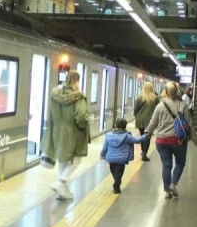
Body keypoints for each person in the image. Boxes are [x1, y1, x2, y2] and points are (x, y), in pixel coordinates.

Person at [40, 70, 89, 200]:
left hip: (56, 130)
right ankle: (61, 182)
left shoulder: (54, 93)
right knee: (76, 159)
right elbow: (82, 117)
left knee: (63, 159)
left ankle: (63, 192)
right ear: (77, 81)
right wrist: (83, 127)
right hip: (73, 132)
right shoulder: (78, 96)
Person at [145, 82, 197, 199]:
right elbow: (190, 123)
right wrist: (194, 138)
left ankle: (166, 191)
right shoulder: (182, 105)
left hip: (162, 141)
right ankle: (173, 184)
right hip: (179, 140)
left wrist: (148, 133)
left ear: (166, 91)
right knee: (180, 163)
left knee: (166, 165)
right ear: (177, 91)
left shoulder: (160, 105)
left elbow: (153, 122)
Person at [101, 118, 147, 194]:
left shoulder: (109, 135)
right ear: (125, 126)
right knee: (119, 173)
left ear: (115, 125)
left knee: (114, 172)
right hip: (122, 159)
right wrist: (146, 136)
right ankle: (116, 186)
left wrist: (102, 154)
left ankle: (116, 182)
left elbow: (105, 147)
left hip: (111, 158)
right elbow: (137, 140)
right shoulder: (127, 136)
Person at [133, 81, 159, 161]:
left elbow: (135, 109)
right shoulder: (155, 98)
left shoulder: (139, 97)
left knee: (142, 136)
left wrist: (136, 116)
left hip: (140, 119)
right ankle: (144, 153)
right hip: (150, 121)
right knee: (147, 137)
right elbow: (158, 109)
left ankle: (142, 151)